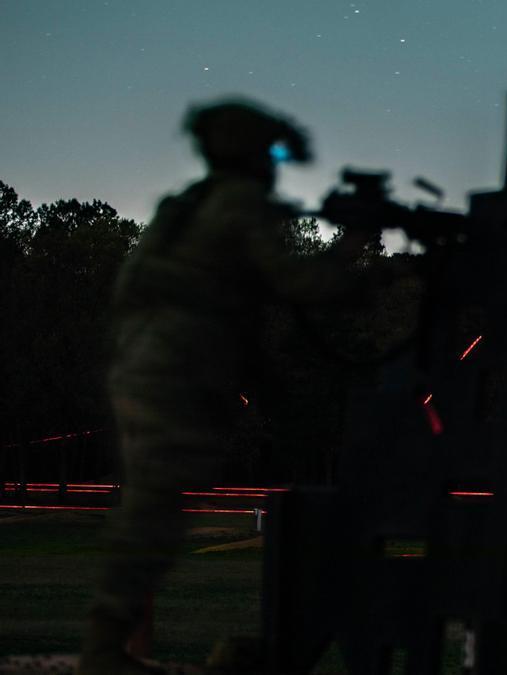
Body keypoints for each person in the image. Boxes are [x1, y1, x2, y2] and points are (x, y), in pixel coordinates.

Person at [80, 99, 381, 673]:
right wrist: (356, 245)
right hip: (176, 372)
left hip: (145, 365)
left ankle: (106, 647)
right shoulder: (237, 204)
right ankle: (103, 652)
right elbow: (303, 284)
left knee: (154, 509)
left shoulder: (188, 206)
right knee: (154, 515)